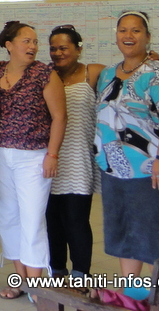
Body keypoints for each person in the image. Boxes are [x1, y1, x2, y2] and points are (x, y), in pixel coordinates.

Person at [96, 11, 159, 280]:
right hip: (115, 171)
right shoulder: (107, 74)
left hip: (155, 170)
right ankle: (132, 293)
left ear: (147, 37)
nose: (128, 36)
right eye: (123, 30)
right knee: (125, 235)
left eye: (136, 30)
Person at [0, 21, 65, 300]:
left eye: (35, 42)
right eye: (26, 41)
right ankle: (21, 280)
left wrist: (52, 154)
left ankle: (37, 285)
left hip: (33, 157)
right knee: (7, 218)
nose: (33, 46)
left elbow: (59, 117)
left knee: (32, 220)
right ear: (9, 45)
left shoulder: (44, 74)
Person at [46, 25, 102, 279]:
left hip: (79, 159)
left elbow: (128, 73)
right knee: (52, 220)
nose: (58, 53)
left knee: (76, 220)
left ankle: (81, 274)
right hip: (50, 158)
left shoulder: (94, 72)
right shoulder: (46, 75)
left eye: (63, 48)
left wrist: (151, 58)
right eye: (53, 49)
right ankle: (57, 271)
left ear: (78, 49)